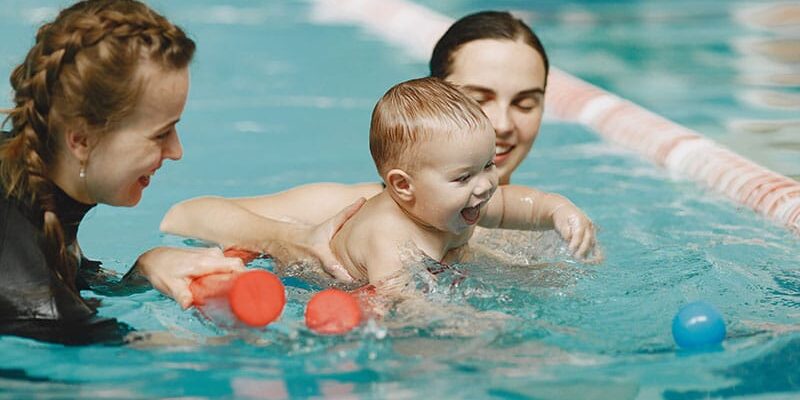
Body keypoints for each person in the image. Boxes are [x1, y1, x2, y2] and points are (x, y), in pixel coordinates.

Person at [0, 0, 358, 345]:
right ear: (80, 139)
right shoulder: (39, 306)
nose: (176, 151)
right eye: (160, 134)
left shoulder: (24, 183)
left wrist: (145, 268)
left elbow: (69, 276)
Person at [160, 10, 596, 274]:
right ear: (437, 96)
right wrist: (285, 240)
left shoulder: (545, 231)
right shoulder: (365, 210)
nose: (501, 123)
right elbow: (184, 216)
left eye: (525, 102)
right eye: (477, 98)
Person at [329, 77, 593, 290]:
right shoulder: (387, 237)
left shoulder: (459, 203)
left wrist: (557, 210)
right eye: (463, 177)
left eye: (488, 165)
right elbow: (403, 308)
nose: (485, 185)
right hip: (338, 289)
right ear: (403, 185)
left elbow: (522, 206)